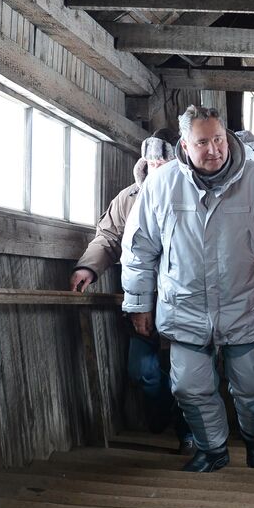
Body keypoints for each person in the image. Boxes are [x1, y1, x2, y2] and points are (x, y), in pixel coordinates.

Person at [122, 106, 254, 473]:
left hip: (247, 309)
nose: (214, 149)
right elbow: (139, 246)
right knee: (189, 389)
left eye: (219, 139)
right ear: (185, 145)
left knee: (252, 390)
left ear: (228, 137)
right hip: (185, 308)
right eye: (202, 142)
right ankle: (213, 450)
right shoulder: (161, 185)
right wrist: (139, 302)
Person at [70, 131, 194, 453]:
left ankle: (188, 434)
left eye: (163, 163)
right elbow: (108, 237)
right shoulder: (128, 199)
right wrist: (87, 268)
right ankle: (159, 412)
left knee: (191, 375)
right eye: (152, 163)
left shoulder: (197, 196)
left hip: (187, 306)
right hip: (143, 305)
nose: (157, 169)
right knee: (143, 372)